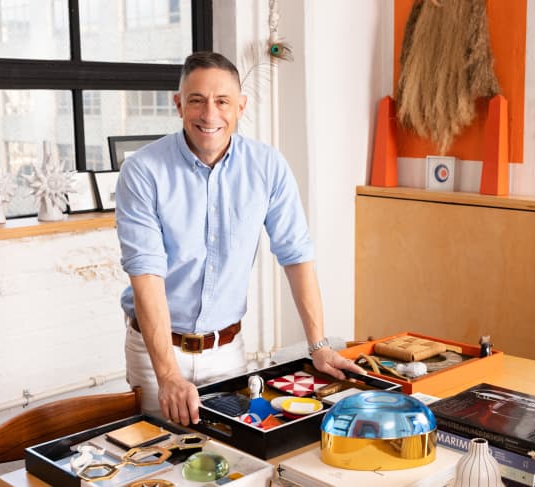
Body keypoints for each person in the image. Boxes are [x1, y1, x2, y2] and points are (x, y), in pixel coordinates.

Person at [115, 51, 363, 426]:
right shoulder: (143, 170)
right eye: (196, 100)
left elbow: (296, 255)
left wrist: (319, 346)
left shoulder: (267, 166)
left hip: (228, 351)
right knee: (162, 465)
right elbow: (146, 274)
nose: (209, 114)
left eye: (222, 101)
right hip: (157, 355)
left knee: (232, 460)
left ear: (241, 106)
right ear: (179, 104)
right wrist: (167, 375)